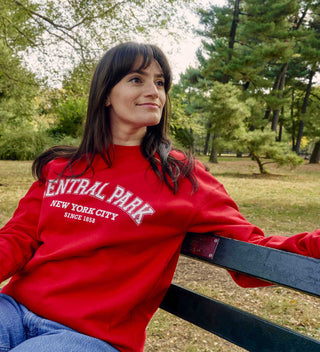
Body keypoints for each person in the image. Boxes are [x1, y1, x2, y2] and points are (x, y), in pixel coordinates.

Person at [0, 41, 319, 352]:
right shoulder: (62, 167)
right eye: (137, 79)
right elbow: (18, 237)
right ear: (106, 94)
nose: (154, 91)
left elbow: (254, 256)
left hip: (87, 336)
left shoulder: (180, 177)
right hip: (12, 308)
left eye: (160, 82)